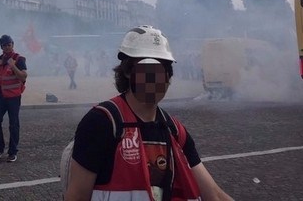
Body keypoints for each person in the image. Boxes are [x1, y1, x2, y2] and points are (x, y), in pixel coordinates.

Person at [65, 25, 234, 201]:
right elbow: (77, 196)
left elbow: (213, 194)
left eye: (161, 70)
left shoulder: (175, 131)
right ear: (128, 72)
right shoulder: (101, 123)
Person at [0, 34, 27, 163]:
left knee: (14, 124)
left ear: (12, 44)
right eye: (4, 45)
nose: (7, 47)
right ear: (1, 47)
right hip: (0, 95)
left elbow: (23, 76)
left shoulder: (19, 59)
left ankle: (13, 152)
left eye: (8, 44)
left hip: (13, 97)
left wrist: (13, 66)